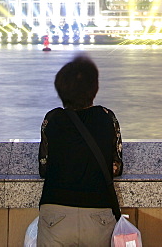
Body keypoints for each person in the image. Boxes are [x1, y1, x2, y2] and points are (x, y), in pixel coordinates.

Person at [37, 55, 123, 246]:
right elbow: (115, 167)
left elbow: (44, 168)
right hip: (97, 213)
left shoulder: (51, 119)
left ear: (61, 89)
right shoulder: (107, 117)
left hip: (55, 212)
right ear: (95, 88)